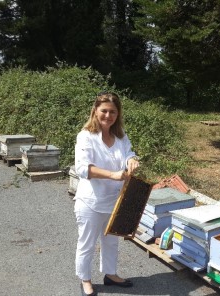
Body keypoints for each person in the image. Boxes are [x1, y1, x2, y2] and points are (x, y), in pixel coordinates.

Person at [74, 92, 140, 296]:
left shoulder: (121, 136)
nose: (108, 115)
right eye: (104, 111)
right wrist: (112, 174)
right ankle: (85, 279)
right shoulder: (86, 136)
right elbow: (82, 169)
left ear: (118, 114)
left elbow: (129, 153)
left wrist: (131, 160)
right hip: (91, 202)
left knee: (111, 241)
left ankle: (110, 274)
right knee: (87, 243)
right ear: (95, 111)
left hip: (115, 201)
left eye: (113, 111)